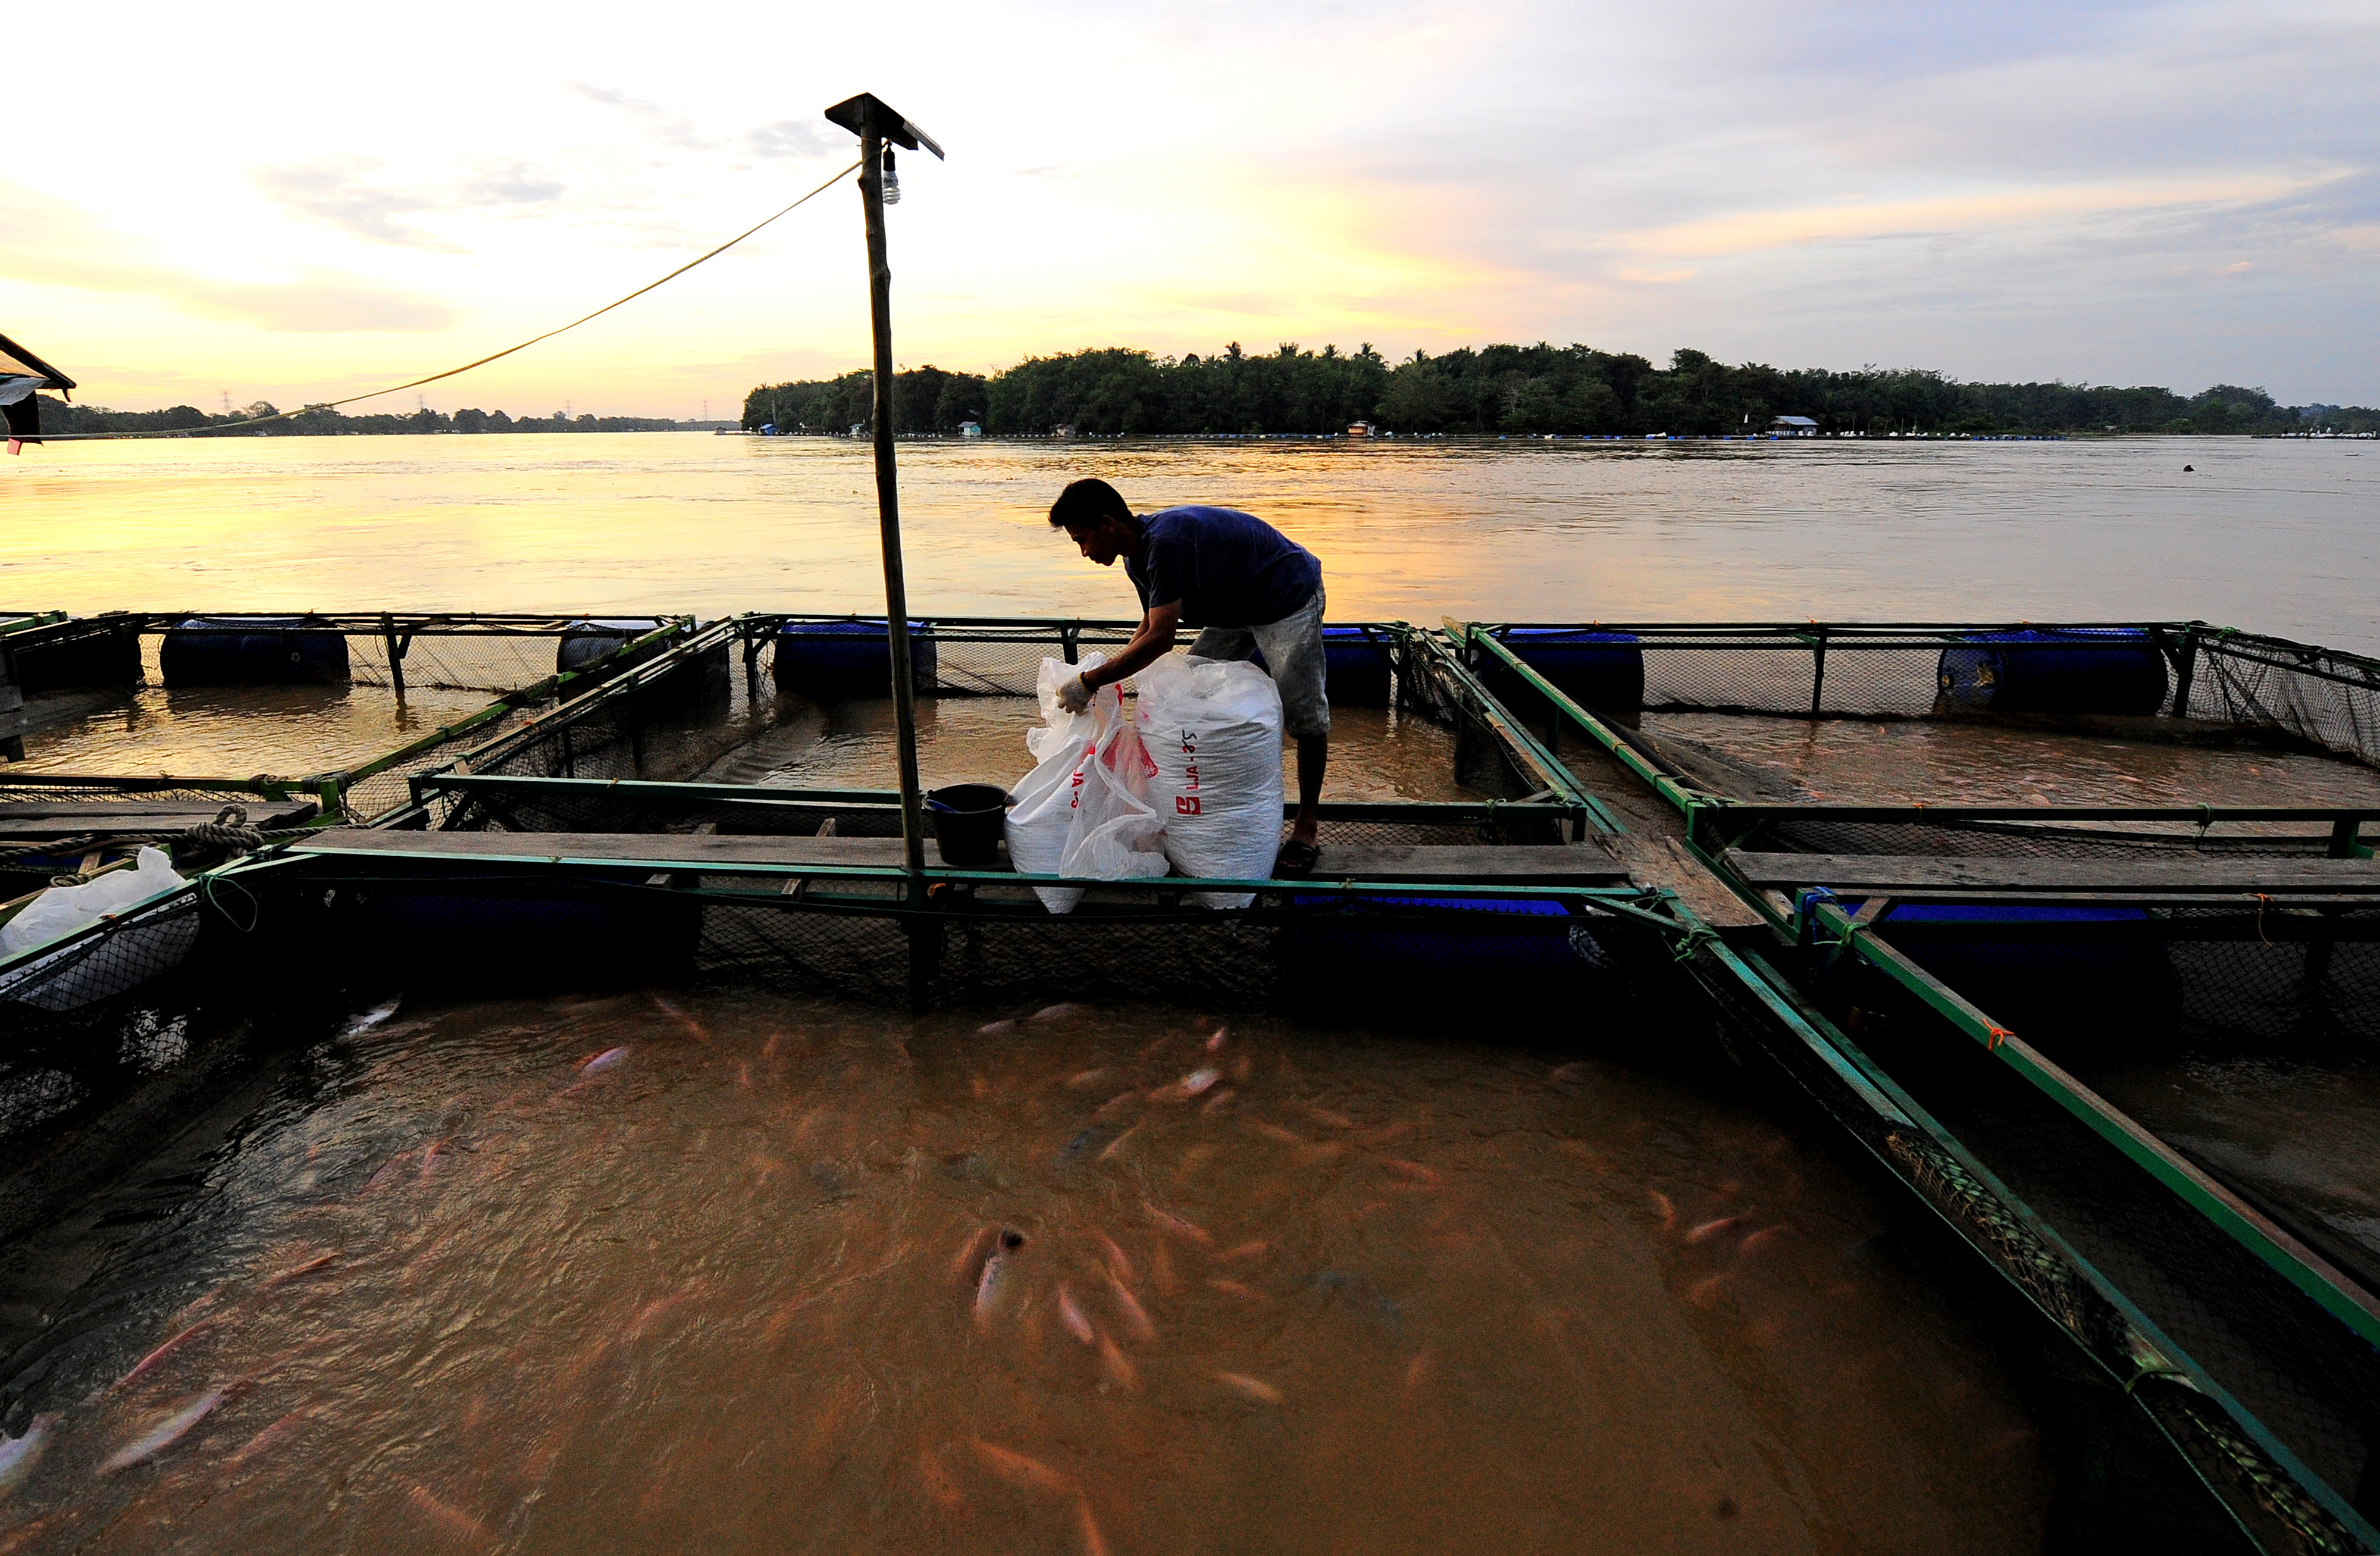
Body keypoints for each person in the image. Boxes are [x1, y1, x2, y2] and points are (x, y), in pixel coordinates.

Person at [1048, 478, 1329, 876]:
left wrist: (1090, 680)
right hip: (1234, 607)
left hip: (1284, 595)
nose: (1084, 552)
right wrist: (1109, 682)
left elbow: (1162, 639)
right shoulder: (1135, 558)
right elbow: (1149, 625)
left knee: (1305, 716)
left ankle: (1306, 828)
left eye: (1083, 539)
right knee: (1189, 689)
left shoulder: (1166, 543)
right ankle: (1205, 802)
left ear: (1108, 524)